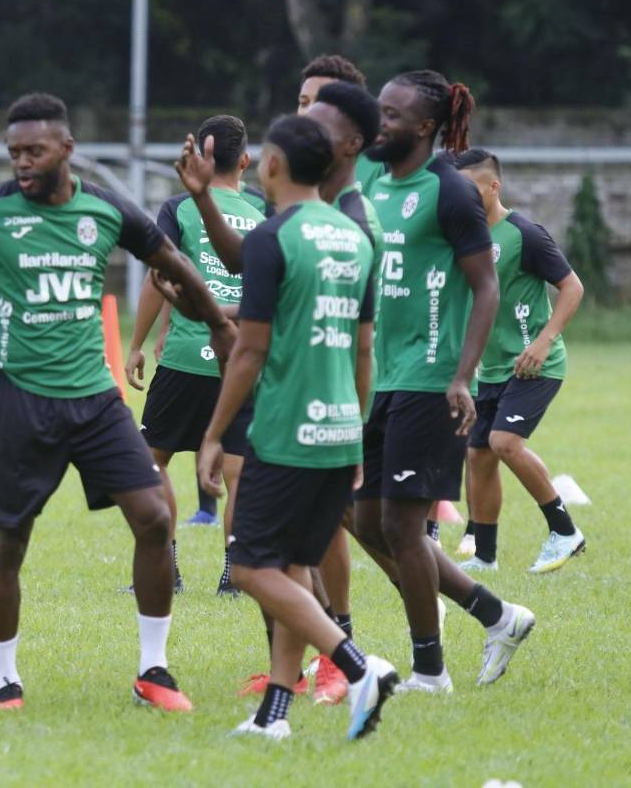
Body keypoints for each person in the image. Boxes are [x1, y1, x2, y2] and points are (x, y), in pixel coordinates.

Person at [0, 92, 235, 713]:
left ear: (66, 148)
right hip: (20, 398)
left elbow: (172, 261)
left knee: (154, 518)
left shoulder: (105, 210)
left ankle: (154, 671)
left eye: (34, 151)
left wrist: (219, 324)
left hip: (95, 400)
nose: (22, 163)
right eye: (14, 153)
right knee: (8, 544)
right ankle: (4, 681)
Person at [191, 114, 397, 742]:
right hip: (339, 428)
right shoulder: (355, 237)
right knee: (296, 567)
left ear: (274, 165)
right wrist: (356, 429)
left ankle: (358, 667)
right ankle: (274, 716)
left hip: (285, 431)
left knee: (251, 569)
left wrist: (213, 434)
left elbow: (250, 350)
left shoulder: (272, 238)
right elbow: (364, 350)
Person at [353, 70, 534, 693]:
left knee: (404, 528)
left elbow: (486, 286)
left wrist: (462, 376)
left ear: (425, 127)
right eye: (378, 111)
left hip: (432, 379)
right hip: (380, 376)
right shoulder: (372, 182)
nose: (379, 123)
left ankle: (430, 671)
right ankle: (496, 614)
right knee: (366, 521)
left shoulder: (450, 191)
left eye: (392, 115)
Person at [124, 114, 266, 597]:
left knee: (151, 461)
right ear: (245, 161)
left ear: (198, 160)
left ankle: (166, 569)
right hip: (245, 356)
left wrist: (137, 344)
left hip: (187, 356)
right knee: (238, 472)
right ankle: (235, 576)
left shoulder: (180, 207)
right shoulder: (264, 210)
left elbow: (160, 275)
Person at [454, 148, 586, 572]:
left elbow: (573, 288)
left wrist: (544, 341)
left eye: (471, 189)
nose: (462, 198)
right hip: (491, 368)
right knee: (479, 457)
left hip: (534, 364)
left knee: (504, 443)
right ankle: (485, 556)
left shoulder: (525, 234)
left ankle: (564, 531)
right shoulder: (463, 237)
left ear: (494, 186)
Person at [297, 54, 386, 196]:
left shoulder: (379, 167)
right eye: (304, 103)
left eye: (321, 103)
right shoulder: (289, 167)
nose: (310, 112)